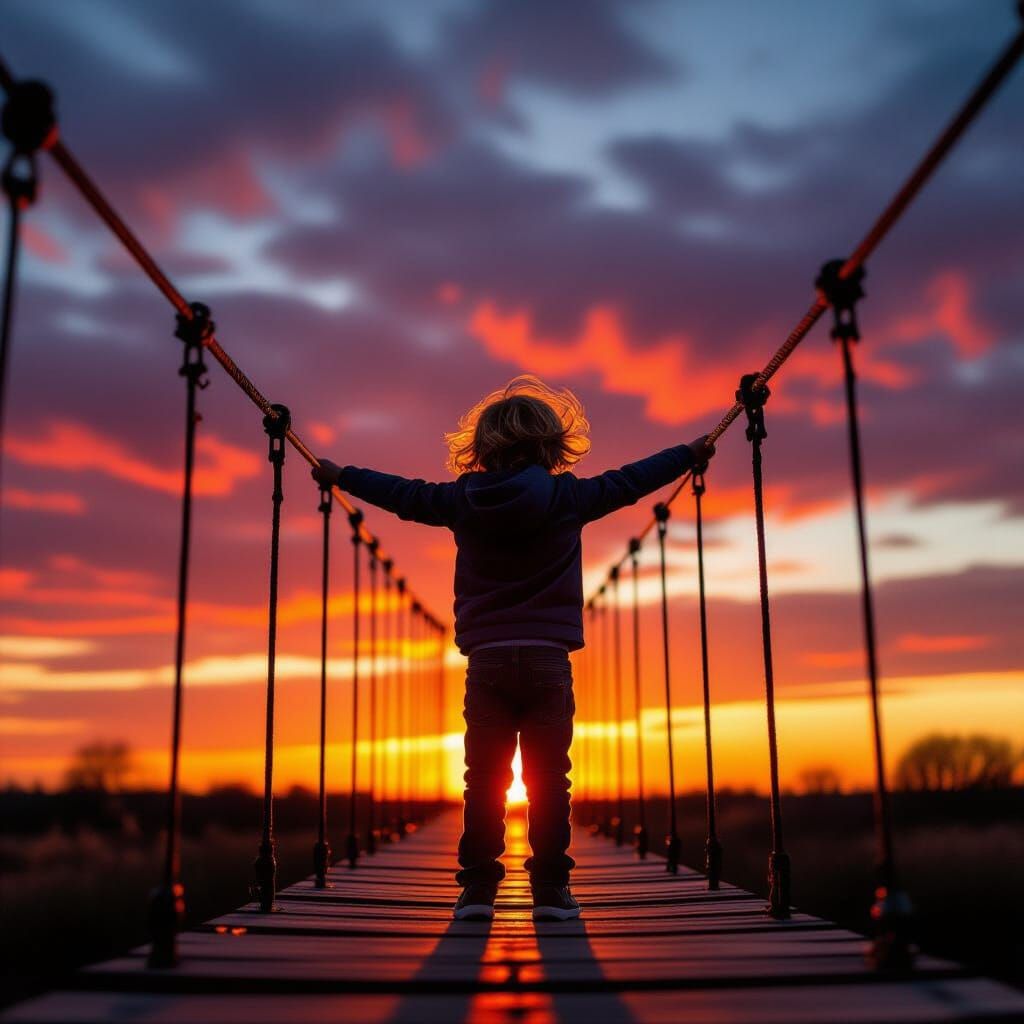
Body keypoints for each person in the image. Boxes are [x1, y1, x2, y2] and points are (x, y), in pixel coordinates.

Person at [313, 375, 714, 921]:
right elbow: (631, 480)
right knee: (551, 778)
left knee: (484, 778)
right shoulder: (570, 496)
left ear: (481, 447)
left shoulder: (461, 500)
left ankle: (477, 892)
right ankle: (550, 892)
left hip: (488, 663)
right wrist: (688, 453)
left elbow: (402, 495)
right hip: (549, 660)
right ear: (550, 445)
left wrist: (341, 475)